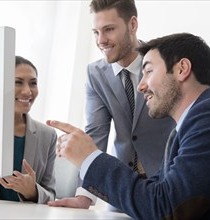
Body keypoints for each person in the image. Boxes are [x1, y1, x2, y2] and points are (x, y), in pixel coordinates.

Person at [47, 32, 210, 219]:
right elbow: (151, 194)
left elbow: (165, 208)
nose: (141, 86)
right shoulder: (185, 128)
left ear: (181, 69)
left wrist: (90, 158)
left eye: (149, 71)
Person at [47, 0, 175, 209]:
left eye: (109, 30)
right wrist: (84, 196)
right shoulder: (95, 73)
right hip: (122, 188)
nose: (101, 40)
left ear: (132, 25)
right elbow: (96, 134)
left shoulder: (164, 63)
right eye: (96, 32)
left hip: (166, 185)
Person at [0, 56, 57, 204]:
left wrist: (32, 192)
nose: (27, 91)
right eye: (17, 82)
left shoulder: (47, 135)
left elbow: (50, 195)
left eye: (33, 83)